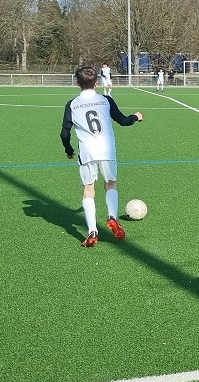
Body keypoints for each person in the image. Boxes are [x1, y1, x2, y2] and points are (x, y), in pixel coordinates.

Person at [60, 65, 144, 247]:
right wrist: (135, 117)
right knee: (110, 184)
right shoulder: (106, 100)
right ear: (97, 83)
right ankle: (112, 216)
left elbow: (64, 133)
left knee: (88, 190)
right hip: (107, 149)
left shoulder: (72, 104)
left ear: (77, 83)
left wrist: (69, 150)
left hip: (87, 151)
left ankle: (92, 231)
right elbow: (123, 121)